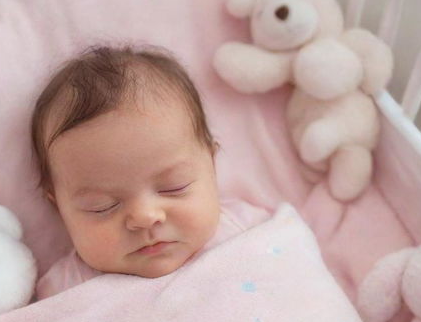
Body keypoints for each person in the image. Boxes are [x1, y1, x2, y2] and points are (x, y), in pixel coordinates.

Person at [30, 45, 267, 299]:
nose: (145, 217)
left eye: (174, 187)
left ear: (211, 165)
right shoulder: (65, 292)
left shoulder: (249, 230)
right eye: (102, 206)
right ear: (59, 207)